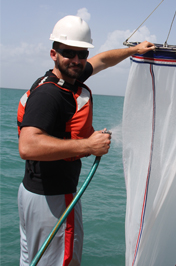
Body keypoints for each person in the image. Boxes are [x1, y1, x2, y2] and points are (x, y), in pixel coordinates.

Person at [17, 15, 155, 266]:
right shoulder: (50, 94)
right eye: (69, 53)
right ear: (53, 53)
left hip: (35, 196)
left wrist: (135, 50)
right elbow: (27, 146)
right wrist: (88, 146)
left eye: (82, 53)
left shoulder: (71, 78)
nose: (78, 60)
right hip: (53, 198)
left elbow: (102, 60)